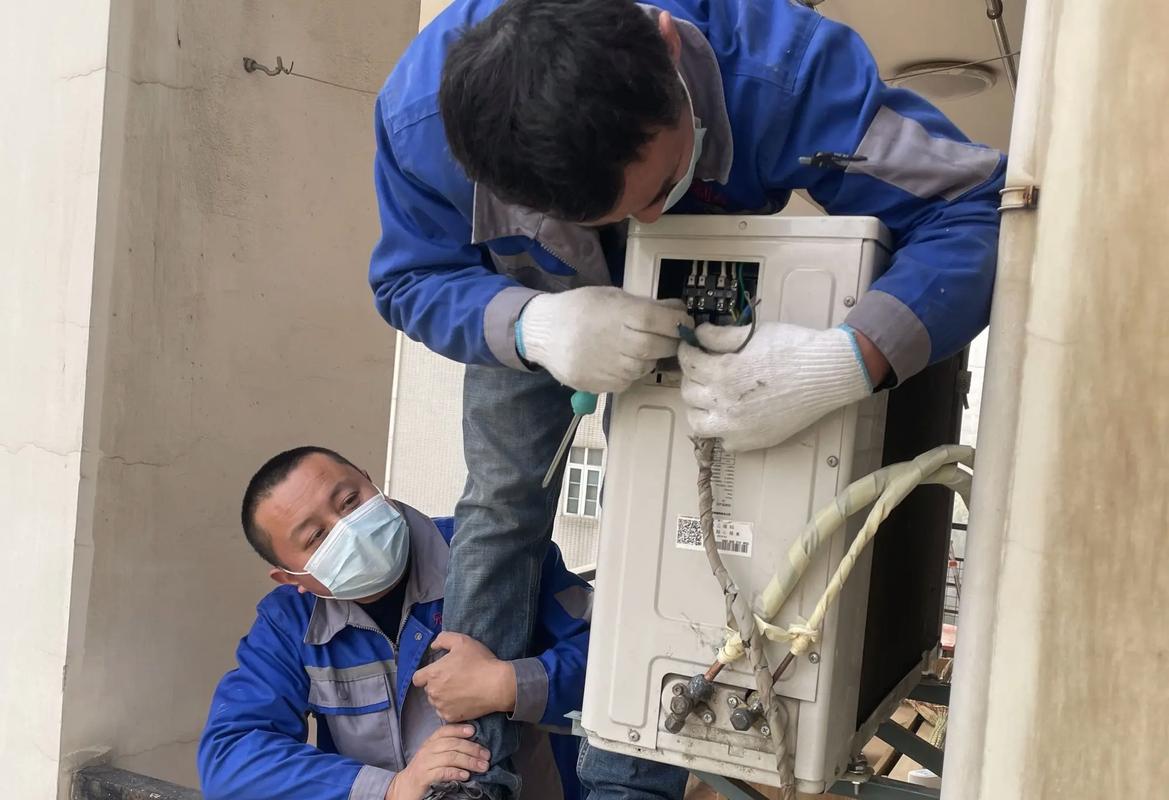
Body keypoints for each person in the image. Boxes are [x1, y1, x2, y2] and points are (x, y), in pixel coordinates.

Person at [368, 1, 1004, 796]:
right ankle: (471, 773)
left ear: (667, 49)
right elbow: (408, 278)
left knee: (688, 504)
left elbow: (973, 203)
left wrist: (846, 360)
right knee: (502, 499)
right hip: (536, 291)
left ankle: (631, 775)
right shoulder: (418, 124)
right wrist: (531, 325)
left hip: (704, 275)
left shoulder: (779, 71)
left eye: (662, 185)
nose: (642, 220)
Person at [197, 446, 592, 800]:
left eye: (350, 501)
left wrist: (508, 684)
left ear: (371, 483)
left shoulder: (495, 557)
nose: (347, 528)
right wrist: (389, 789)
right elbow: (230, 757)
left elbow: (611, 657)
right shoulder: (290, 624)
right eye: (317, 536)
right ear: (290, 577)